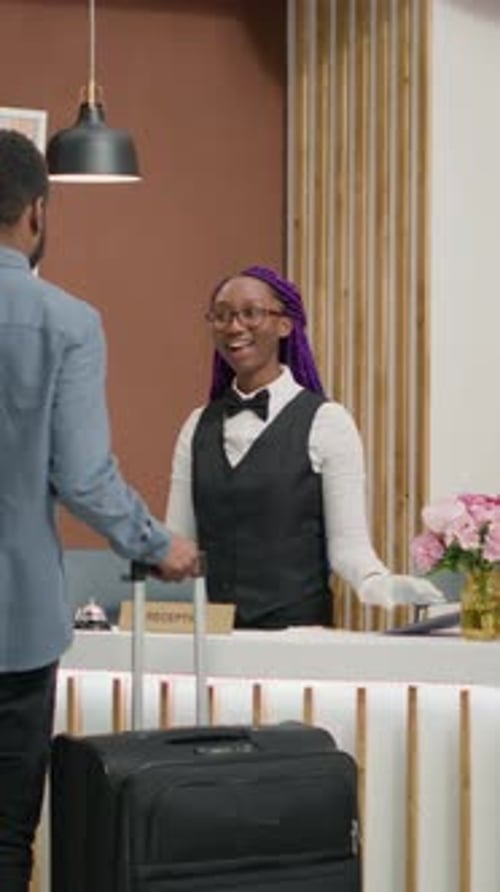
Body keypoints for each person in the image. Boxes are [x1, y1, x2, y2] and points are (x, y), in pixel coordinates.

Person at [0, 129, 198, 892]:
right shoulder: (66, 322)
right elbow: (82, 476)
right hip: (14, 630)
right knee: (5, 837)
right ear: (37, 213)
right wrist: (156, 543)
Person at [165, 264, 443, 629]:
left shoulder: (328, 421)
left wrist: (378, 583)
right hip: (214, 636)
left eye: (250, 313)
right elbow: (177, 542)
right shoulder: (197, 426)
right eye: (222, 315)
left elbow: (348, 549)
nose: (234, 326)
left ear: (285, 325)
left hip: (299, 636)